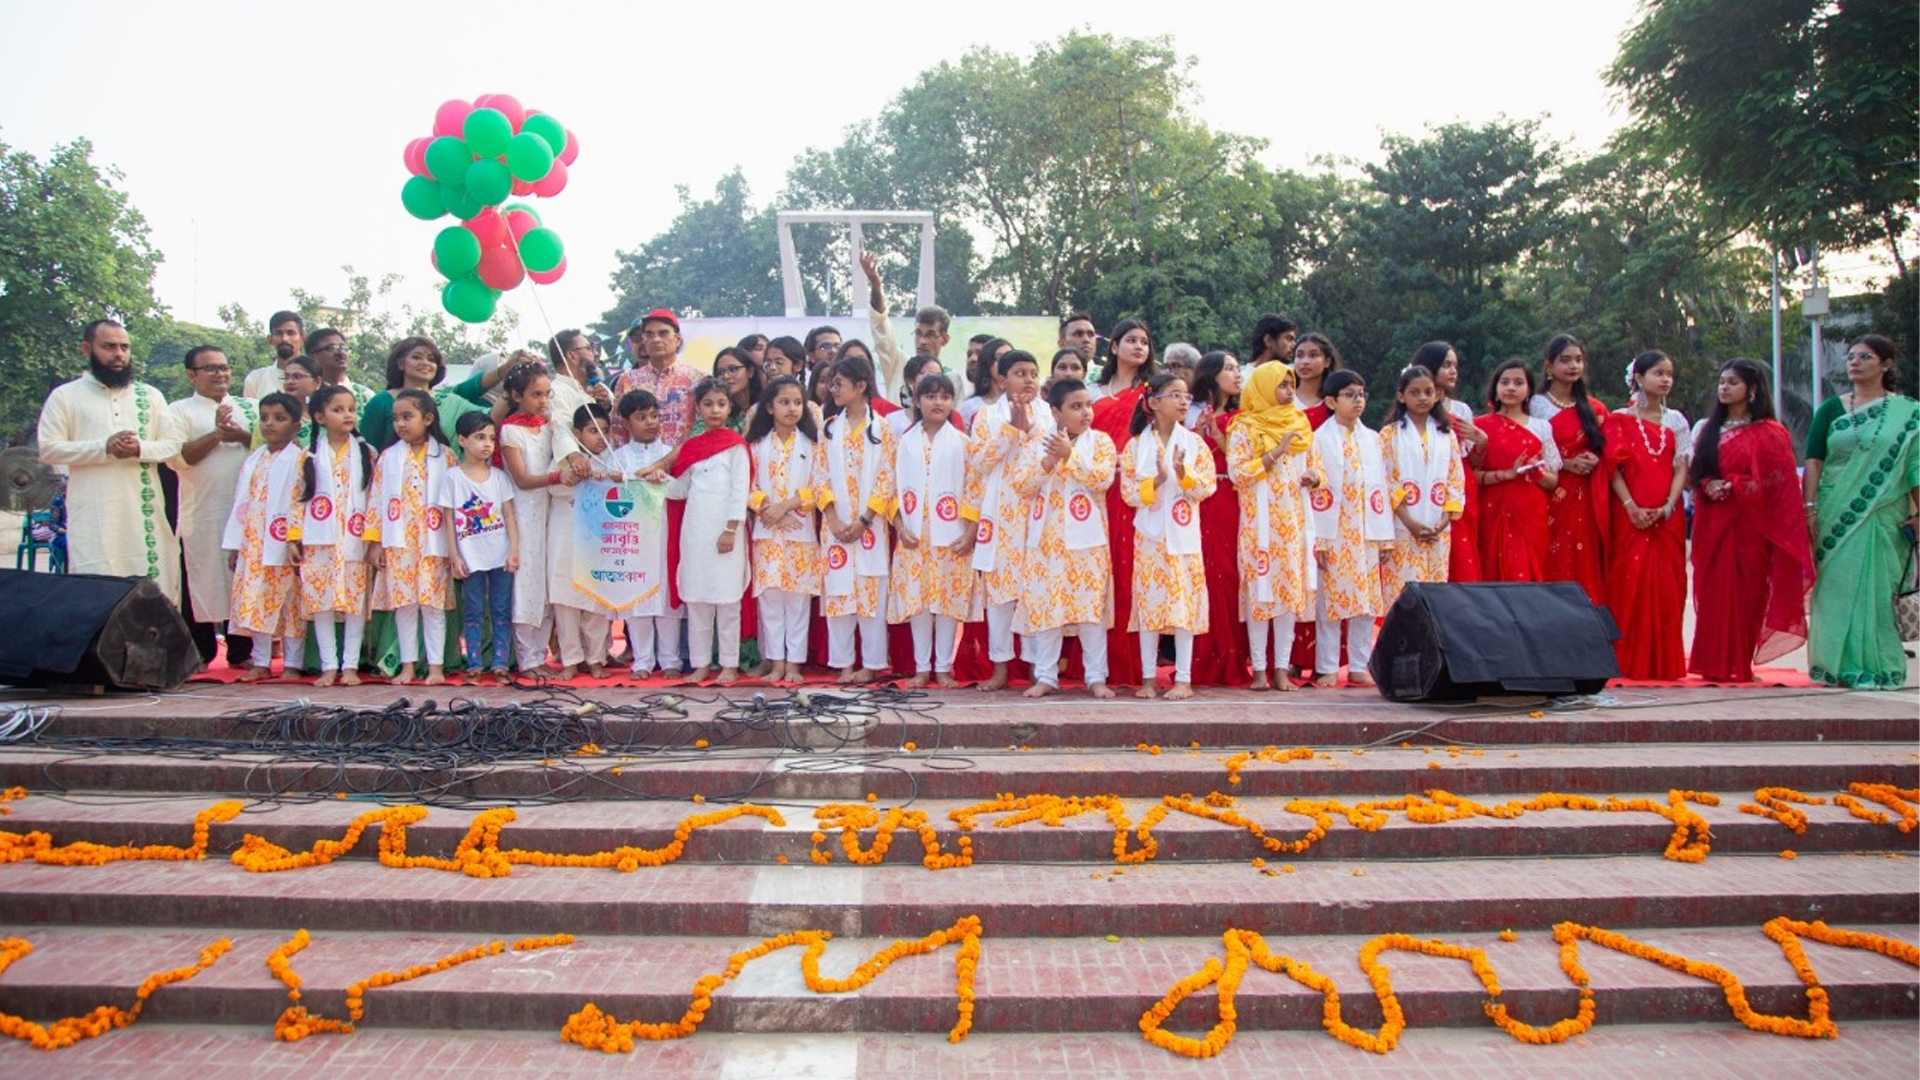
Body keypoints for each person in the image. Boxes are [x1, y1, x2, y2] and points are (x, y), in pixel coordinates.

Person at [1803, 334, 1918, 689]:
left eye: (1865, 356)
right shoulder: (1831, 409)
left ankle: (1879, 666)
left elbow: (1915, 467)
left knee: (1879, 591)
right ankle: (1834, 665)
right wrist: (1810, 509)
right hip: (1834, 512)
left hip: (1884, 515)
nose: (1854, 362)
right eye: (1851, 356)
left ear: (1886, 365)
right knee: (1835, 589)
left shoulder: (1907, 413)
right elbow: (1814, 460)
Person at [36, 319, 183, 598]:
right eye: (109, 347)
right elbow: (49, 449)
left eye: (124, 347)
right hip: (93, 516)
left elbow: (173, 445)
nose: (119, 354)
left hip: (142, 514)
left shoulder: (150, 396)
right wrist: (104, 448)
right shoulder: (65, 396)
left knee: (151, 592)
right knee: (96, 589)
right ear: (86, 349)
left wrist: (139, 449)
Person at [1688, 359, 1813, 682]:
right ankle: (1712, 664)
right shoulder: (1708, 429)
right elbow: (1696, 474)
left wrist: (1737, 485)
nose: (1724, 388)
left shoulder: (1770, 432)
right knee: (1713, 593)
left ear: (1752, 389)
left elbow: (1778, 481)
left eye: (1733, 382)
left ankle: (1739, 663)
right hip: (1713, 521)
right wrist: (1707, 485)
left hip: (1749, 526)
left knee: (1747, 595)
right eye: (1721, 382)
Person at [1012, 378, 1117, 698]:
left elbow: (1103, 479)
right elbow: (1021, 485)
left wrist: (1071, 456)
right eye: (1076, 407)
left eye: (1088, 405)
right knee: (1048, 610)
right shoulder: (1037, 443)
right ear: (1056, 412)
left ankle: (1096, 677)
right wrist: (1049, 461)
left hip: (1088, 544)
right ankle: (1046, 676)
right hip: (1046, 544)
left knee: (1091, 612)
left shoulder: (1101, 442)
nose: (1086, 413)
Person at [1122, 371, 1216, 699]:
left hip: (1183, 538)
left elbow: (1207, 487)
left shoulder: (1195, 443)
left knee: (1184, 607)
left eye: (1186, 396)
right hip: (1150, 539)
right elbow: (1129, 493)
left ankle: (1184, 679)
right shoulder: (1136, 446)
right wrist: (1159, 481)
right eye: (1175, 395)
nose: (1183, 401)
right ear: (1154, 402)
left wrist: (1182, 474)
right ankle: (1148, 679)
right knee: (1149, 607)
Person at [1228, 361, 1320, 691]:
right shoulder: (1244, 426)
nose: (1289, 391)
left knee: (1287, 597)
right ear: (1264, 387)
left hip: (1293, 524)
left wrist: (1313, 477)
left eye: (1291, 385)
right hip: (1259, 525)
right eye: (1281, 385)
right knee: (1259, 595)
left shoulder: (1300, 424)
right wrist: (1275, 453)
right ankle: (1258, 670)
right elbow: (1239, 473)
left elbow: (1316, 467)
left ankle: (1281, 669)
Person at [1601, 351, 1691, 680]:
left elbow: (1681, 466)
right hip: (1630, 515)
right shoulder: (1619, 419)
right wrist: (1630, 506)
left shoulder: (1676, 420)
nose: (1666, 380)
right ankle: (1626, 661)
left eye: (1669, 374)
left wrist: (1669, 505)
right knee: (1627, 583)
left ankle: (1663, 663)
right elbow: (1612, 469)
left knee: (1668, 586)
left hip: (1667, 517)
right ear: (1639, 378)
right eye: (1658, 373)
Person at [961, 348, 1047, 690]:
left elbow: (1048, 457)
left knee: (1034, 591)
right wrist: (1011, 428)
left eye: (1033, 374)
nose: (1028, 380)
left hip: (1038, 515)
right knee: (999, 597)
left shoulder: (1048, 414)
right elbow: (980, 463)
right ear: (1002, 379)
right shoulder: (986, 416)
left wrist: (1029, 427)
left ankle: (1037, 667)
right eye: (1020, 374)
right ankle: (1000, 668)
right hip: (1000, 517)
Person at [168, 345, 258, 667]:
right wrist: (217, 434)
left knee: (241, 578)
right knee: (201, 579)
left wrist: (242, 435)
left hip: (246, 510)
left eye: (224, 367)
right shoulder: (179, 411)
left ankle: (241, 653)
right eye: (210, 368)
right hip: (203, 510)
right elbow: (179, 457)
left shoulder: (250, 407)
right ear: (191, 375)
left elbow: (271, 446)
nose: (220, 373)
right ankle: (201, 653)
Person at [663, 380, 751, 684]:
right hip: (695, 532)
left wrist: (730, 529)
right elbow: (680, 490)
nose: (715, 410)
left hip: (726, 532)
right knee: (697, 600)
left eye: (721, 404)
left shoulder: (736, 446)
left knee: (727, 601)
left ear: (729, 407)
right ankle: (701, 664)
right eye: (708, 404)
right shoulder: (692, 447)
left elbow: (741, 490)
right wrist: (658, 481)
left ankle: (729, 664)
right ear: (698, 408)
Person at [815, 355, 897, 682]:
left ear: (861, 386)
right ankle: (844, 662)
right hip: (835, 526)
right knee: (839, 593)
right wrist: (833, 519)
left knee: (871, 593)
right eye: (831, 383)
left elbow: (887, 478)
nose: (833, 389)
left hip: (870, 525)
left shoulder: (883, 428)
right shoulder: (828, 428)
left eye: (839, 384)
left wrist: (864, 520)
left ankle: (872, 663)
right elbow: (819, 476)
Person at [1308, 370, 1393, 687]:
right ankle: (1327, 666)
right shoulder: (1318, 439)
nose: (1358, 400)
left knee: (1366, 602)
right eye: (1350, 395)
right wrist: (1319, 540)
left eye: (1361, 394)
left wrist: (1384, 538)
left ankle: (1359, 664)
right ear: (1331, 401)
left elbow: (1381, 488)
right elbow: (1316, 492)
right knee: (1329, 603)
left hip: (1367, 531)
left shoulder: (1372, 439)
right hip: (1334, 533)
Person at [888, 373, 972, 687]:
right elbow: (889, 490)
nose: (938, 402)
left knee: (947, 601)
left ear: (953, 402)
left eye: (945, 397)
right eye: (931, 396)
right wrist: (899, 528)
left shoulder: (964, 444)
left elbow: (974, 491)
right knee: (918, 601)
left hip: (952, 536)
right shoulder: (902, 444)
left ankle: (943, 667)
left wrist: (970, 533)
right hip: (914, 536)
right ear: (916, 400)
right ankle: (922, 667)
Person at [367, 389, 454, 685]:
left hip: (434, 543)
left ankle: (436, 668)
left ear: (427, 419)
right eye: (396, 419)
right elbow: (376, 501)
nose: (400, 424)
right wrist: (375, 542)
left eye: (407, 417)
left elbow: (453, 503)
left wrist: (455, 547)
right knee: (404, 607)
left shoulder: (446, 456)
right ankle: (407, 666)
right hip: (399, 543)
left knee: (433, 606)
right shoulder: (388, 457)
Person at [1089, 318, 1159, 687]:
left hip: (1135, 491)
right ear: (1114, 346)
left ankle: (1132, 661)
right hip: (1096, 489)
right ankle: (1094, 662)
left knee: (1131, 568)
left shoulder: (1151, 393)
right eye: (1131, 340)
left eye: (1144, 342)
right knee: (1099, 569)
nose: (1138, 347)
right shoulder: (1093, 393)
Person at [222, 392, 306, 682]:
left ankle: (293, 663)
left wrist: (296, 538)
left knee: (291, 602)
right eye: (265, 418)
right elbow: (241, 504)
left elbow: (301, 501)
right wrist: (235, 545)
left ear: (295, 426)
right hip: (254, 543)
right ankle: (261, 661)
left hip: (286, 542)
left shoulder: (301, 459)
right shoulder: (254, 459)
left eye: (279, 418)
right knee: (256, 598)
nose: (270, 424)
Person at [295, 385, 376, 686]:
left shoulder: (367, 453)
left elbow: (376, 498)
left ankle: (350, 665)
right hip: (320, 541)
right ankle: (329, 666)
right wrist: (293, 538)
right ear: (320, 417)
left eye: (351, 409)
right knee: (322, 603)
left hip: (355, 538)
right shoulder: (309, 455)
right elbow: (296, 498)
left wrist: (374, 537)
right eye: (338, 410)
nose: (347, 415)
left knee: (355, 603)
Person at [746, 377, 823, 686]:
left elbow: (819, 486)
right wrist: (768, 509)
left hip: (800, 532)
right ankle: (776, 662)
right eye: (784, 402)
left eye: (797, 402)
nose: (792, 408)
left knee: (798, 602)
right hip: (767, 533)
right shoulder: (756, 446)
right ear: (769, 407)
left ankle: (794, 663)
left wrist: (786, 506)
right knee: (770, 602)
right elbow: (746, 485)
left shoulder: (813, 445)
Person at [1531, 334, 1610, 605]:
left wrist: (1595, 460)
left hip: (1587, 497)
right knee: (1552, 555)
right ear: (1549, 366)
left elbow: (1609, 449)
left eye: (1578, 360)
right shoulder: (1535, 406)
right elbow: (1526, 449)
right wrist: (1566, 463)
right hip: (1550, 493)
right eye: (1565, 360)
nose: (1573, 366)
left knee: (1586, 557)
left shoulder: (1594, 408)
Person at [1186, 350, 1249, 687]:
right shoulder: (1189, 414)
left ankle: (1234, 655)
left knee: (1229, 572)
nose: (1237, 374)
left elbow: (1246, 465)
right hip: (1202, 499)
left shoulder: (1245, 418)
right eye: (1229, 368)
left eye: (1238, 368)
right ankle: (1203, 657)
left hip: (1232, 498)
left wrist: (1222, 441)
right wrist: (1197, 436)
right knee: (1205, 574)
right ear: (1211, 375)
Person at [1379, 365, 1465, 612]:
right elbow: (1387, 480)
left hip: (1437, 529)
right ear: (1401, 396)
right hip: (1403, 527)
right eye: (1414, 392)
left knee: (1434, 596)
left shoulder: (1446, 435)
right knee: (1402, 595)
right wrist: (1409, 522)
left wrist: (1443, 521)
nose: (1422, 398)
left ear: (1437, 395)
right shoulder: (1389, 435)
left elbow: (1455, 479)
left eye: (1428, 392)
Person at [441, 412, 518, 681]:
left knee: (501, 610)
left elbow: (509, 516)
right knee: (472, 609)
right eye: (480, 437)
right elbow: (448, 519)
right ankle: (474, 663)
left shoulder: (499, 477)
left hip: (500, 555)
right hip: (470, 557)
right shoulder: (452, 478)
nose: (487, 444)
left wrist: (514, 550)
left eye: (491, 438)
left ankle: (500, 662)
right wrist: (454, 556)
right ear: (462, 440)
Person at [612, 390, 681, 680]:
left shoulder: (671, 454)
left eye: (654, 416)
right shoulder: (617, 459)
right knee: (637, 600)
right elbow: (611, 498)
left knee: (666, 600)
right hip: (633, 540)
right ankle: (642, 661)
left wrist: (664, 478)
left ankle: (670, 659)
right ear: (626, 423)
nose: (650, 422)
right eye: (641, 417)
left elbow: (683, 490)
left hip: (665, 535)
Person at [497, 363, 560, 677]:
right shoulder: (510, 430)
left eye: (547, 394)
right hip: (523, 514)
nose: (543, 400)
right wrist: (557, 477)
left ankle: (540, 653)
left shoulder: (549, 426)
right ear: (516, 395)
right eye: (536, 394)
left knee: (547, 583)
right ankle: (527, 659)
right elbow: (522, 479)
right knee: (527, 583)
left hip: (550, 510)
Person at [1472, 360, 1561, 582]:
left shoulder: (1541, 427)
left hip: (1531, 512)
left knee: (1530, 572)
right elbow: (1471, 476)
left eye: (1518, 383)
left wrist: (1536, 472)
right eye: (1505, 382)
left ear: (1529, 390)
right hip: (1493, 510)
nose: (1511, 388)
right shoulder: (1480, 427)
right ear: (1495, 388)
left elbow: (1553, 480)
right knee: (1492, 569)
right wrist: (1506, 475)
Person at [549, 404, 618, 679]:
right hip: (565, 539)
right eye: (593, 431)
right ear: (577, 434)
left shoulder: (611, 461)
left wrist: (609, 479)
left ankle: (596, 658)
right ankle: (571, 660)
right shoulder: (561, 460)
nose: (600, 437)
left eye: (605, 431)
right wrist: (575, 477)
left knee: (596, 602)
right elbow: (553, 487)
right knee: (566, 602)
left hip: (596, 543)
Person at [358, 337, 510, 454]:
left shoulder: (449, 400)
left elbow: (488, 420)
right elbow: (368, 452)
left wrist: (510, 391)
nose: (425, 363)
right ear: (400, 363)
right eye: (417, 357)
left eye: (431, 359)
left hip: (444, 479)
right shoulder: (381, 402)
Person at [1419, 341, 1485, 583]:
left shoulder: (1461, 410)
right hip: (1422, 486)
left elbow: (1472, 461)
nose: (1453, 371)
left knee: (1461, 553)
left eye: (1455, 366)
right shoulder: (1414, 407)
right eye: (1446, 365)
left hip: (1459, 489)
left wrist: (1481, 442)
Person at [859, 250, 950, 400]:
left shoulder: (952, 378)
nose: (922, 341)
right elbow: (880, 324)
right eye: (918, 333)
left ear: (945, 339)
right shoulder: (898, 364)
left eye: (930, 335)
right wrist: (875, 283)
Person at [611, 310, 705, 448]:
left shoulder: (697, 379)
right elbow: (618, 429)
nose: (655, 339)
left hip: (687, 458)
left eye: (663, 333)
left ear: (677, 339)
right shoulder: (627, 381)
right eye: (649, 334)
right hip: (639, 460)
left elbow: (704, 425)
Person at [546, 329, 613, 469]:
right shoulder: (556, 391)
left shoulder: (600, 388)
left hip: (610, 466)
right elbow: (561, 427)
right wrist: (575, 456)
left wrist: (608, 406)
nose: (595, 353)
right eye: (589, 348)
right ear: (572, 355)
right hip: (578, 471)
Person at [305, 328, 378, 410]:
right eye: (332, 348)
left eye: (343, 347)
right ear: (313, 356)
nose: (341, 353)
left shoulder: (367, 397)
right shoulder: (304, 395)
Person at [241, 310, 306, 400]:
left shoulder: (315, 379)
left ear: (303, 338)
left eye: (290, 333)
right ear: (270, 339)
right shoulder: (255, 380)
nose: (284, 339)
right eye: (278, 333)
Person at [958, 338, 1012, 427]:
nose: (1006, 363)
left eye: (1011, 359)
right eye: (1000, 358)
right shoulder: (970, 407)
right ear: (986, 363)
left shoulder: (1023, 404)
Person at [1291, 332, 1340, 428]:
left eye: (1313, 355)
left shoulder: (1336, 403)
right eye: (1299, 356)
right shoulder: (1281, 399)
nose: (1305, 361)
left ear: (1327, 362)